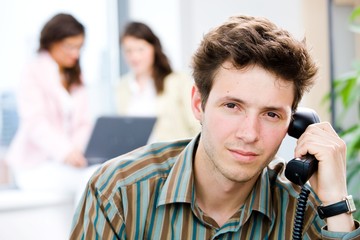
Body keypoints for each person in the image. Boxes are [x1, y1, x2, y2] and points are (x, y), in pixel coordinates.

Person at [70, 15, 360, 239]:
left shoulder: (302, 208)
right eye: (232, 106)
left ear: (293, 123)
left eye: (271, 114)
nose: (249, 134)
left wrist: (335, 201)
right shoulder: (119, 192)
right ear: (198, 104)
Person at [5, 13, 97, 195]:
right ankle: (86, 225)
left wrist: (77, 150)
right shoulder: (33, 71)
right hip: (35, 163)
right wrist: (65, 151)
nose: (75, 54)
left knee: (100, 173)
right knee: (90, 180)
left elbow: (83, 123)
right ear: (51, 43)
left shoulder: (77, 76)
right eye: (69, 47)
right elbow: (35, 122)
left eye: (79, 47)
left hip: (67, 163)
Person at [115, 21, 200, 142]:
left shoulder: (177, 81)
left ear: (154, 48)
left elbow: (196, 124)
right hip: (138, 159)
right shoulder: (122, 86)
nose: (134, 57)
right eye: (128, 51)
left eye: (140, 49)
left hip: (173, 157)